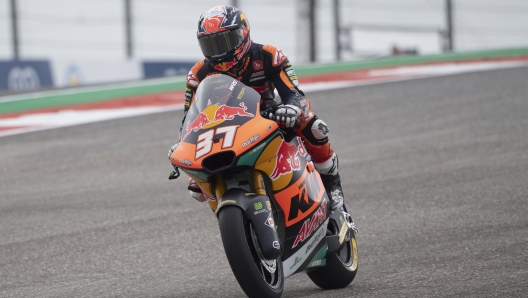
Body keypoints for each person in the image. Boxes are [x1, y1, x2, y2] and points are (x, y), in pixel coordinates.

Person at [170, 5, 346, 212]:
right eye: (211, 45)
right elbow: (190, 117)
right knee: (196, 191)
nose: (219, 51)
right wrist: (183, 143)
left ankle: (332, 184)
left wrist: (292, 109)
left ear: (243, 34)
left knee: (315, 126)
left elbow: (294, 93)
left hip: (269, 115)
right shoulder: (198, 74)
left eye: (224, 41)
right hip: (225, 127)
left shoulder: (269, 55)